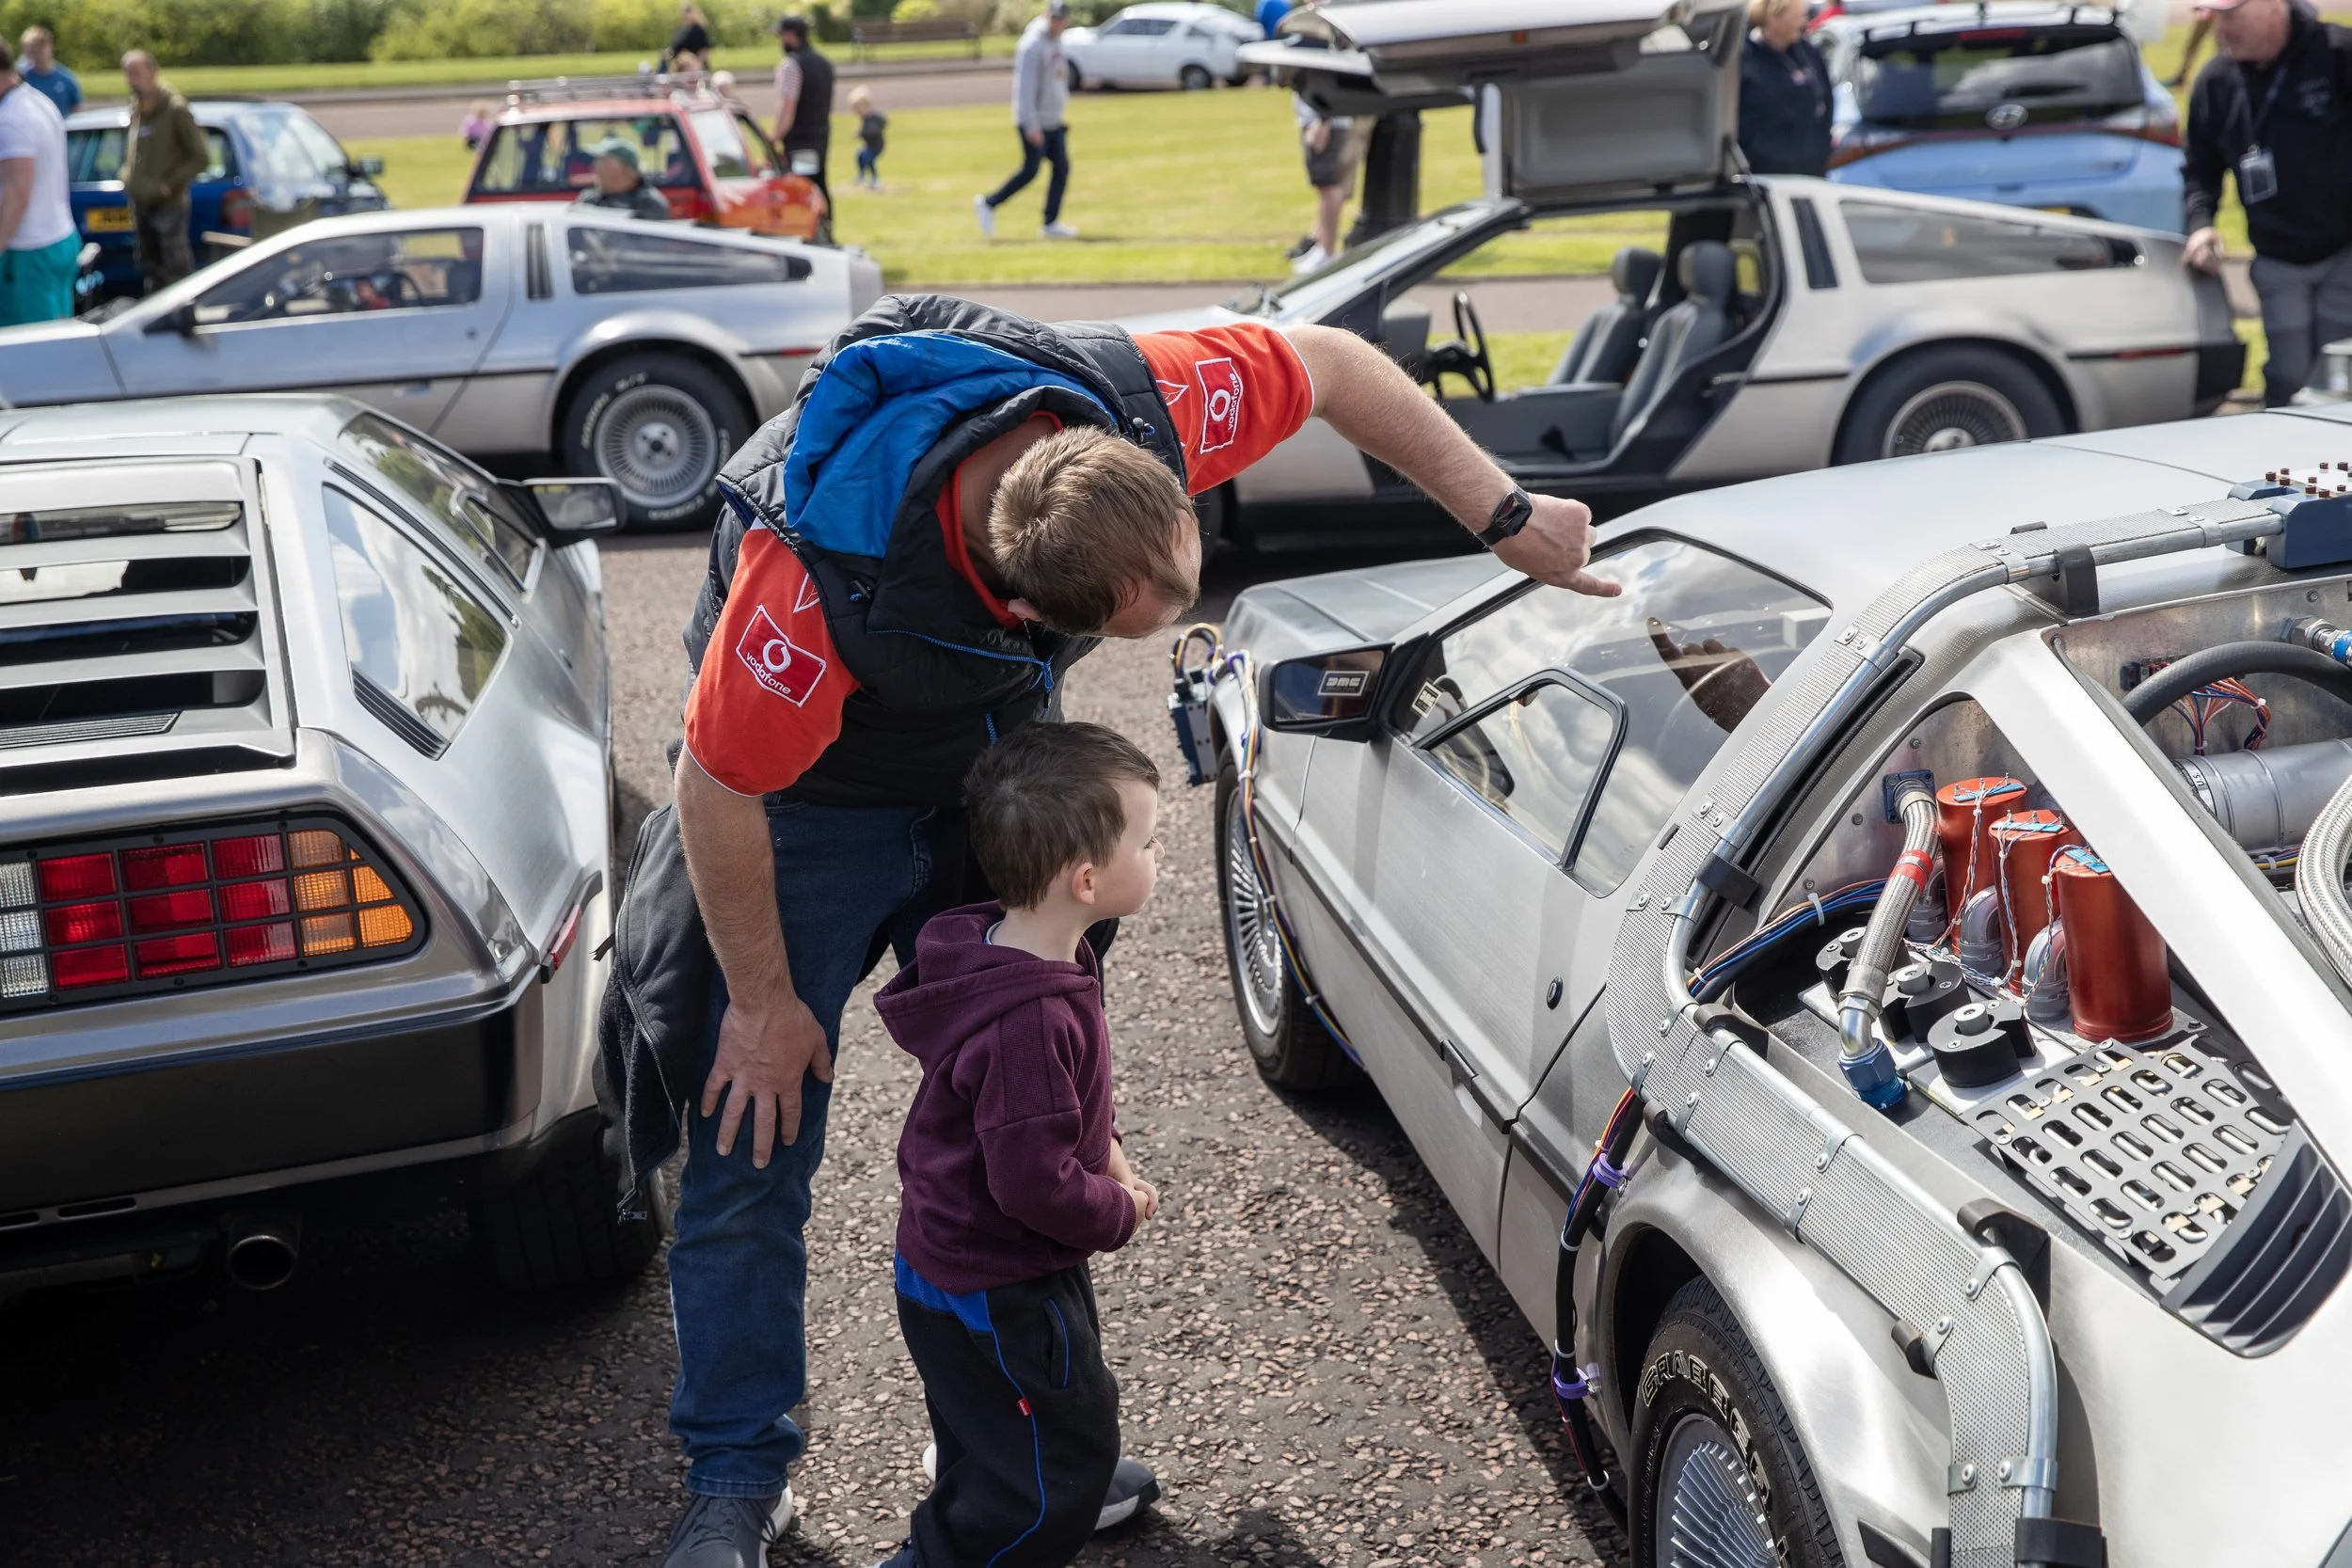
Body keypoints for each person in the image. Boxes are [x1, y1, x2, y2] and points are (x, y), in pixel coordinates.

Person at [609, 286, 1613, 1568]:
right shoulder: (808, 580)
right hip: (804, 798)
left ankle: (1001, 1428)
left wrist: (1507, 516)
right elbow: (717, 783)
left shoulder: (1136, 398)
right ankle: (739, 1471)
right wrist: (758, 996)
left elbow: (1332, 360)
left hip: (989, 756)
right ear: (1025, 612)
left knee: (1026, 1086)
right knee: (752, 1122)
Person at [866, 721, 1167, 1568]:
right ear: (1086, 878)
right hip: (1002, 1280)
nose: (1157, 854)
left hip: (948, 1261)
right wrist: (1119, 1208)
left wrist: (1105, 1146)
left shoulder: (1006, 947)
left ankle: (977, 1493)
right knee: (1055, 1475)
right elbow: (1032, 1182)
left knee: (984, 1424)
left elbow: (1050, 1117)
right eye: (1146, 842)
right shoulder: (1031, 1019)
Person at [2183, 0, 2352, 405]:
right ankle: (2286, 461)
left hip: (2345, 248)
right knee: (2287, 374)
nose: (2222, 32)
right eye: (2216, 19)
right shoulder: (2216, 82)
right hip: (2276, 255)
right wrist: (2201, 223)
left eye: (2232, 18)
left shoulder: (2337, 54)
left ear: (2273, 8)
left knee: (2341, 373)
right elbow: (2198, 169)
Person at [977, 0, 1075, 240]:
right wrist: (1031, 126)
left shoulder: (1058, 41)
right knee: (1030, 170)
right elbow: (1025, 90)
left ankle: (1050, 223)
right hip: (1034, 122)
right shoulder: (1031, 45)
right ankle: (988, 203)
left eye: (1061, 19)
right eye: (1053, 18)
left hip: (1052, 120)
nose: (1057, 23)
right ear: (1046, 16)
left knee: (1061, 168)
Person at [0, 39, 78, 327]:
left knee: (31, 353)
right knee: (57, 340)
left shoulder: (10, 119)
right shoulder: (36, 101)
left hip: (28, 251)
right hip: (57, 237)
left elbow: (17, 192)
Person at [119, 51, 205, 293]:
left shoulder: (175, 109)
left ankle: (181, 322)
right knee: (150, 268)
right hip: (141, 201)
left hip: (169, 204)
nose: (132, 79)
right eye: (128, 74)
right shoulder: (137, 108)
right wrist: (127, 176)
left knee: (175, 270)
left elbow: (200, 157)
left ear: (153, 73)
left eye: (137, 73)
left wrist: (169, 184)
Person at [1737, 0, 1833, 177]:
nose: (1805, 24)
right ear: (1773, 18)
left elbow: (1827, 100)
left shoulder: (1808, 54)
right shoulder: (1744, 59)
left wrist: (1823, 150)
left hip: (1811, 171)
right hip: (1766, 174)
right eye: (1798, 17)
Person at [771, 15, 834, 206]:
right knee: (818, 182)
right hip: (820, 133)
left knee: (802, 187)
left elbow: (787, 105)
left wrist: (774, 136)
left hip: (800, 138)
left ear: (791, 36)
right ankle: (825, 227)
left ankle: (810, 231)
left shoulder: (791, 65)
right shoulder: (824, 63)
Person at [1291, 91, 1351, 273]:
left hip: (1323, 120)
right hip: (1322, 119)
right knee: (1326, 187)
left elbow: (1325, 79)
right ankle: (1323, 247)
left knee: (1328, 186)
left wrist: (1322, 121)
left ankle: (1327, 251)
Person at [573, 136, 672, 221]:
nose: (596, 168)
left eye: (604, 163)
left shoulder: (650, 203)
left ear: (626, 169)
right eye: (597, 162)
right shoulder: (589, 200)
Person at [17, 28, 77, 117]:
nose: (36, 55)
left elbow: (77, 108)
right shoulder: (20, 79)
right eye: (32, 51)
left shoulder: (66, 79)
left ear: (51, 48)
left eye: (39, 50)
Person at [850, 85, 886, 187]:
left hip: (876, 145)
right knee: (860, 155)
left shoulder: (874, 117)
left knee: (869, 159)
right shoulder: (865, 119)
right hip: (869, 145)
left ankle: (875, 179)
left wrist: (862, 133)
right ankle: (861, 176)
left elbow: (875, 128)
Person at [665, 4, 714, 73]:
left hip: (692, 67)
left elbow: (704, 49)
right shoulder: (683, 30)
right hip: (680, 66)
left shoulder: (698, 29)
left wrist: (697, 66)